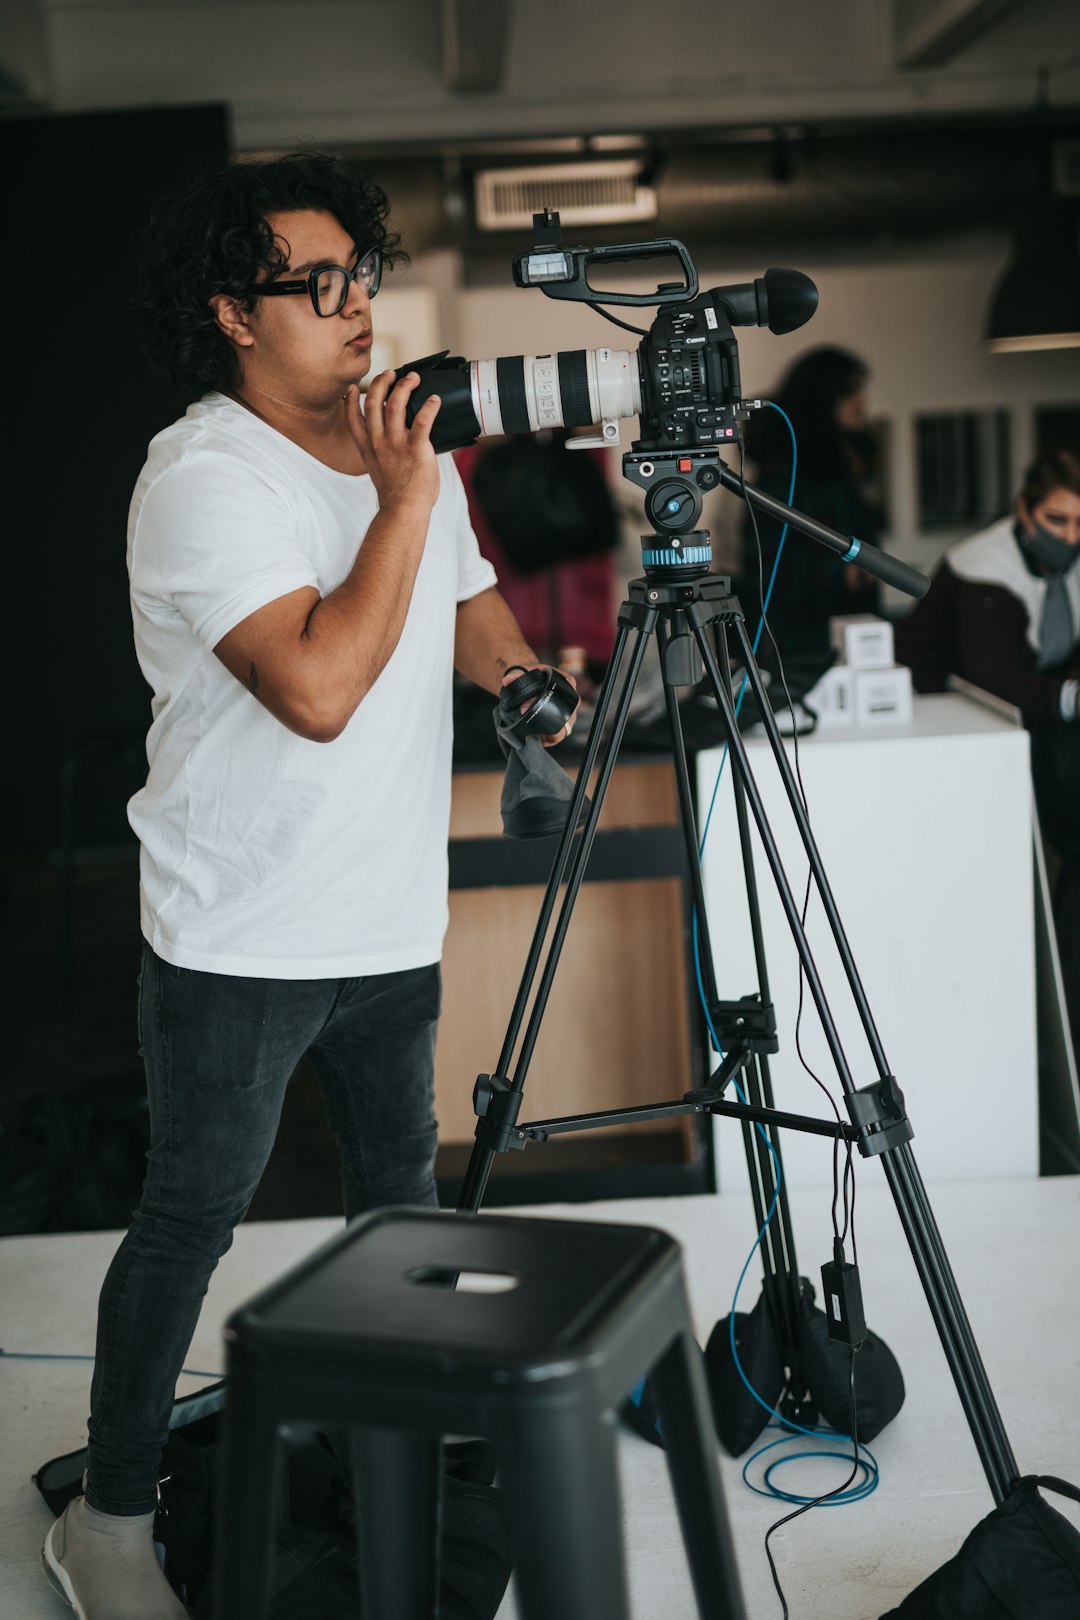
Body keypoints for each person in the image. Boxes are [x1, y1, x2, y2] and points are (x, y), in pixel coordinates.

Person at [41, 152, 574, 1620]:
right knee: (188, 1218)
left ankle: (403, 1445)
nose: (356, 308)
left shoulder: (402, 451)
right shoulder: (201, 478)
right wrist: (403, 494)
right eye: (315, 284)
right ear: (230, 311)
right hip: (240, 927)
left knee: (399, 1207)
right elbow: (323, 688)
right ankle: (114, 1516)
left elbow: (468, 609)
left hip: (389, 913)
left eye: (363, 276)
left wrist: (531, 687)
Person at [895, 448, 1080, 857]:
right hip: (938, 710)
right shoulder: (984, 568)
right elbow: (993, 676)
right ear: (1025, 511)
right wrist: (1071, 697)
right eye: (1057, 519)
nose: (1070, 536)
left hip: (1031, 708)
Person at [736, 345, 883, 666]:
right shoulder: (785, 471)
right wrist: (841, 574)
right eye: (851, 391)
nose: (862, 401)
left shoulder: (841, 464)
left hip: (848, 628)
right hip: (805, 641)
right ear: (825, 396)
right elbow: (766, 565)